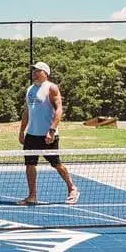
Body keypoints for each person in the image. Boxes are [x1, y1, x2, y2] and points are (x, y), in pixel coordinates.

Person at [18, 61, 79, 205]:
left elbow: (59, 109)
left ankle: (72, 188)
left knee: (56, 164)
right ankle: (32, 196)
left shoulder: (51, 88)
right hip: (32, 135)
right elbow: (27, 111)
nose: (34, 73)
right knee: (30, 165)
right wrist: (22, 131)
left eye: (37, 70)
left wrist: (51, 130)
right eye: (33, 71)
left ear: (45, 73)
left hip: (48, 136)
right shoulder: (30, 90)